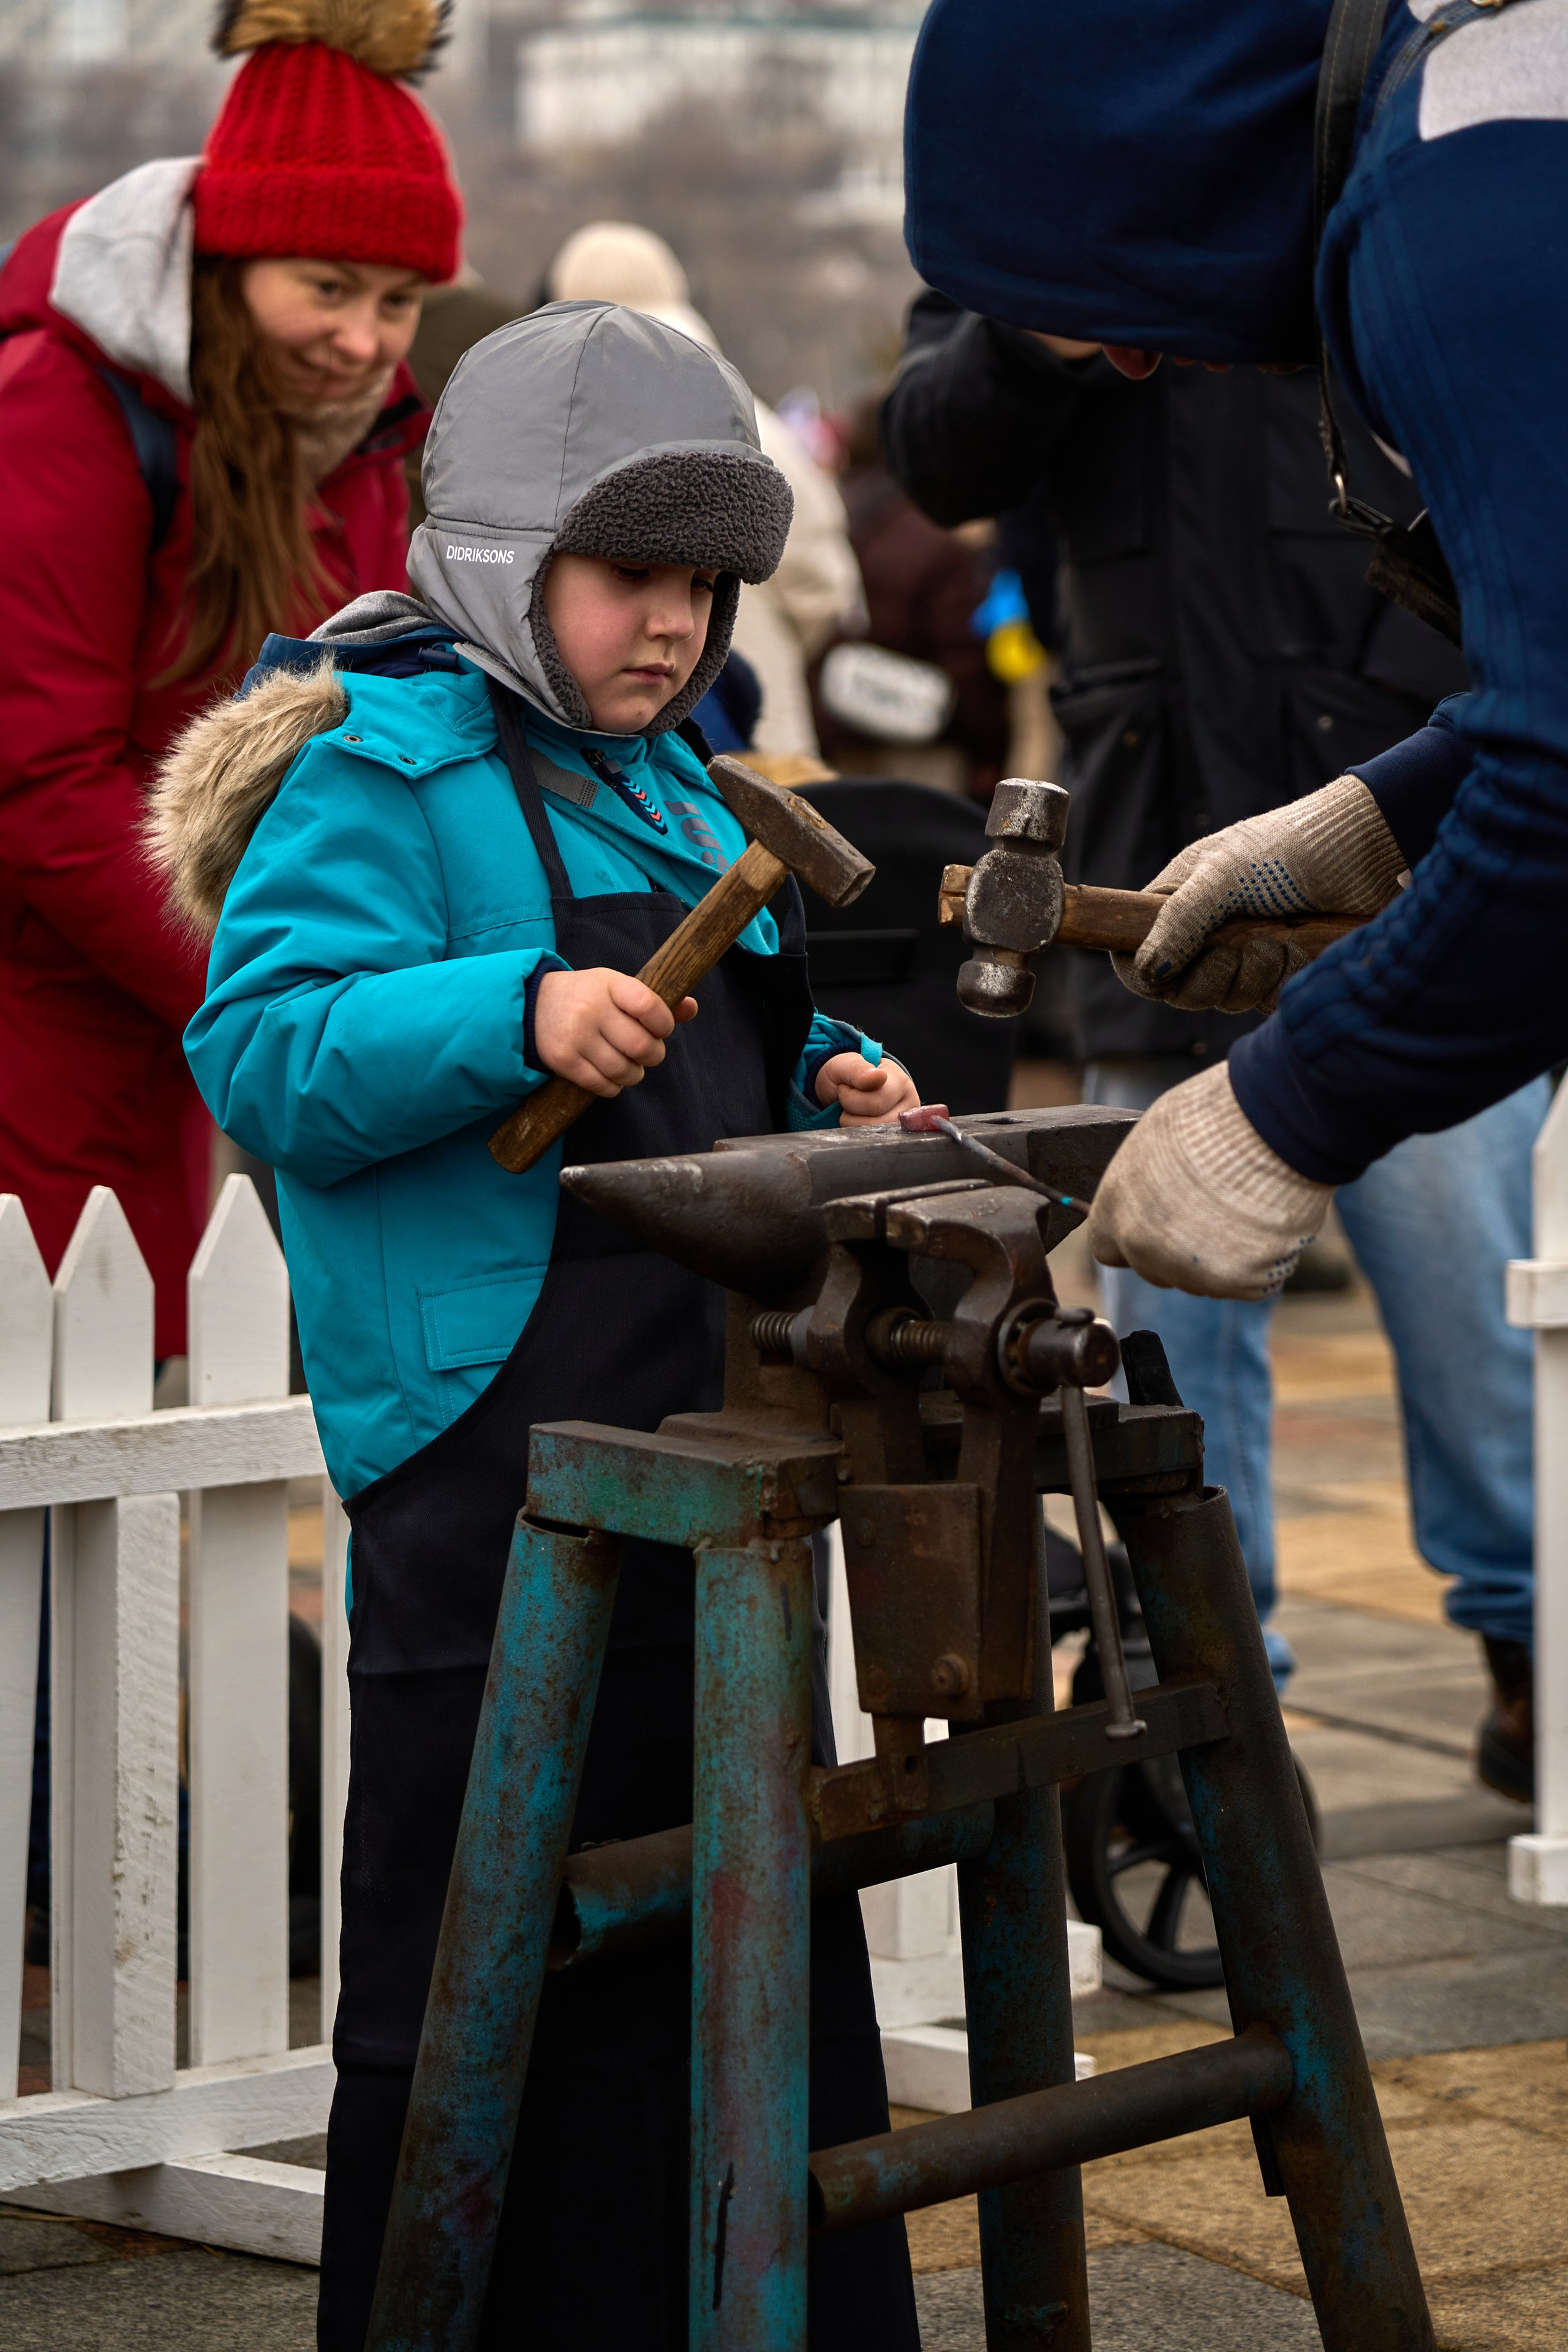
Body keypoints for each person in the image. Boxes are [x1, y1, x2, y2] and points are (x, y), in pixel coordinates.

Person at [154, 300, 921, 2349]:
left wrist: (833, 1073)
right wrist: (507, 1010)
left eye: (700, 583)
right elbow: (266, 1048)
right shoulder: (376, 776)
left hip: (718, 1448)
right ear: (503, 555)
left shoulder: (690, 800)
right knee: (481, 1927)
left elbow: (735, 1059)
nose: (668, 626)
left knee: (739, 1901)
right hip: (492, 1465)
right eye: (624, 576)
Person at [902, 0, 1565, 1789]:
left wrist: (1291, 1097)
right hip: (1205, 751)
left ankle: (1526, 1636)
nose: (1126, 365)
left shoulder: (1457, 207)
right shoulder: (1476, 130)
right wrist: (1378, 812)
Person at [0, 0, 458, 1357]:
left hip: (210, 1012)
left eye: (396, 301)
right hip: (58, 1016)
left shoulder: (360, 439)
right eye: (326, 288)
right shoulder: (61, 409)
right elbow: (38, 780)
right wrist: (266, 978)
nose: (365, 339)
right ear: (226, 261)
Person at [546, 219, 867, 766]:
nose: (677, 618)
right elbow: (825, 585)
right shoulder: (745, 415)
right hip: (757, 722)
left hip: (679, 720)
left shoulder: (561, 415)